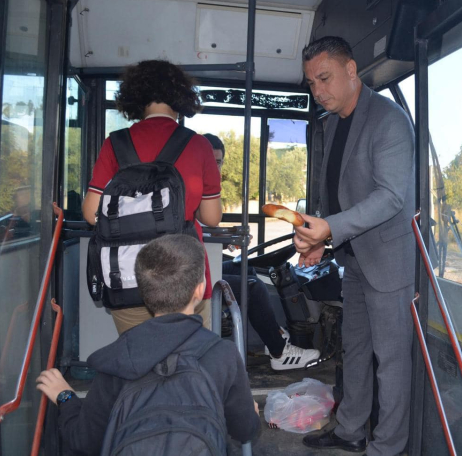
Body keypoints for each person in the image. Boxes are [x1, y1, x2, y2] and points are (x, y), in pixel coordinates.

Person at [294, 37, 415, 456]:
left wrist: (329, 228)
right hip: (354, 258)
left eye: (324, 78)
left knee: (391, 360)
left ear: (351, 70)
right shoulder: (332, 124)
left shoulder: (388, 120)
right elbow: (335, 193)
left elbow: (391, 197)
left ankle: (387, 447)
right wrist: (321, 243)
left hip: (389, 261)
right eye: (312, 83)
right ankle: (349, 430)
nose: (318, 90)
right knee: (355, 348)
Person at [36, 234, 261, 455]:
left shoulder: (117, 360)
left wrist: (65, 397)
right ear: (199, 290)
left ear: (143, 293)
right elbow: (244, 430)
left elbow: (84, 441)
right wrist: (251, 414)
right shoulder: (223, 354)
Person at [82, 60, 222, 332]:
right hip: (185, 276)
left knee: (138, 355)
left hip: (129, 275)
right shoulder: (199, 145)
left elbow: (91, 213)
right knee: (190, 353)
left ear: (135, 96)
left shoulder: (115, 143)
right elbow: (212, 218)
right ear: (180, 95)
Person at [203, 133, 320, 371]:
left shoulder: (207, 190)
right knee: (253, 288)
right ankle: (279, 352)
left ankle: (273, 334)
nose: (215, 168)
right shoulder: (196, 189)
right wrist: (229, 238)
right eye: (209, 161)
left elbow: (204, 231)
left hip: (205, 262)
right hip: (195, 273)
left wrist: (230, 239)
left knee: (244, 267)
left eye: (218, 162)